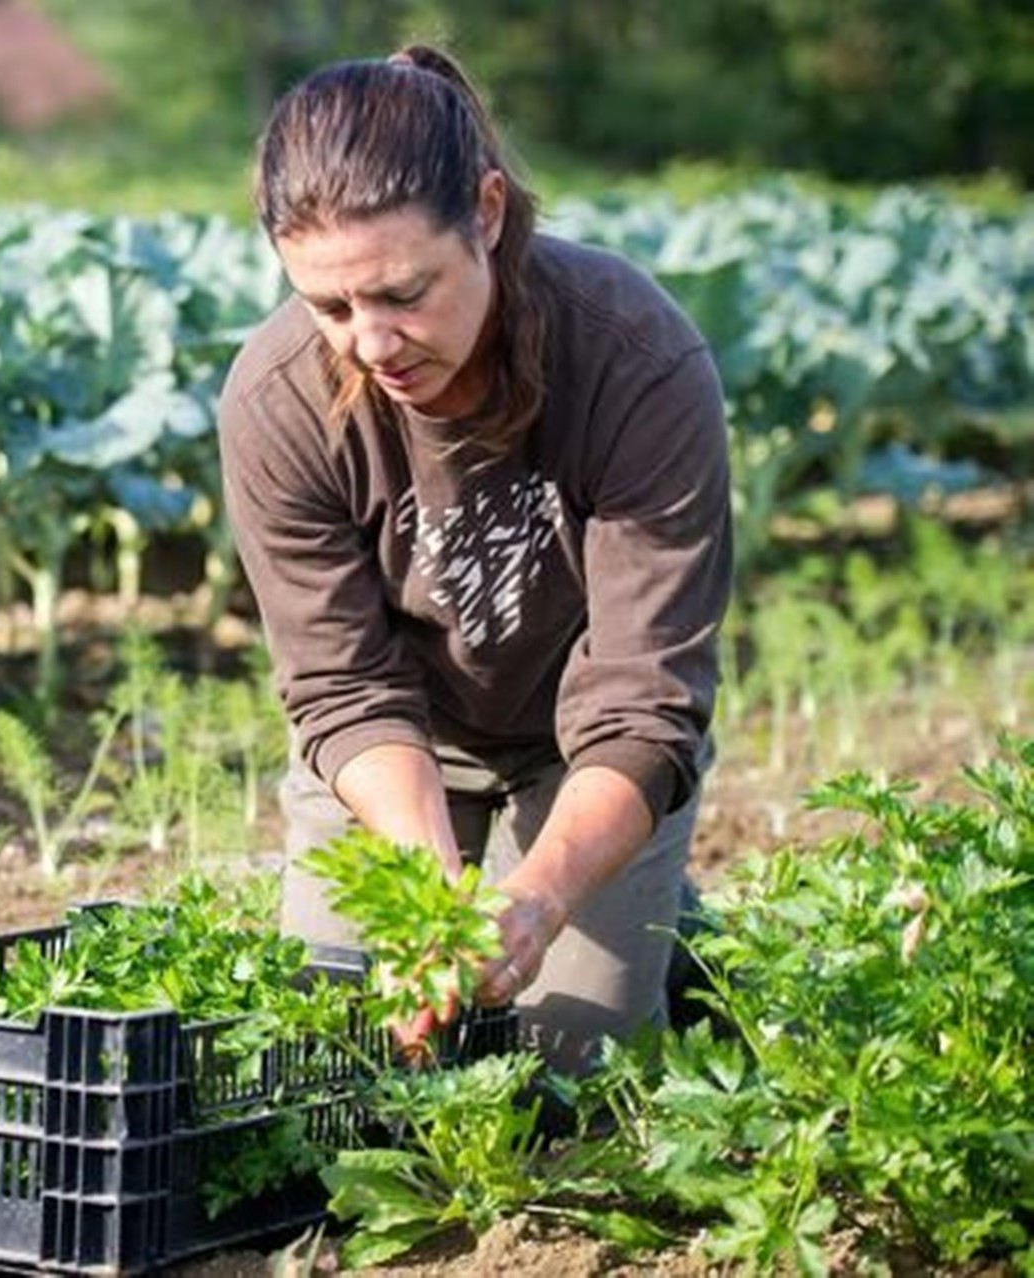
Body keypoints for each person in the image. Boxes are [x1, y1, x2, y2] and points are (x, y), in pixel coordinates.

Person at [218, 44, 732, 1075]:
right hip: (396, 755)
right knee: (340, 1060)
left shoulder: (632, 358)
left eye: (404, 293)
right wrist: (434, 892)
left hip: (582, 751)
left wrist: (535, 904)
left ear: (487, 214)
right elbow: (342, 688)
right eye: (329, 307)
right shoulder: (277, 400)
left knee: (569, 1073)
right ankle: (629, 915)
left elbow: (643, 699)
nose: (372, 342)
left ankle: (665, 935)